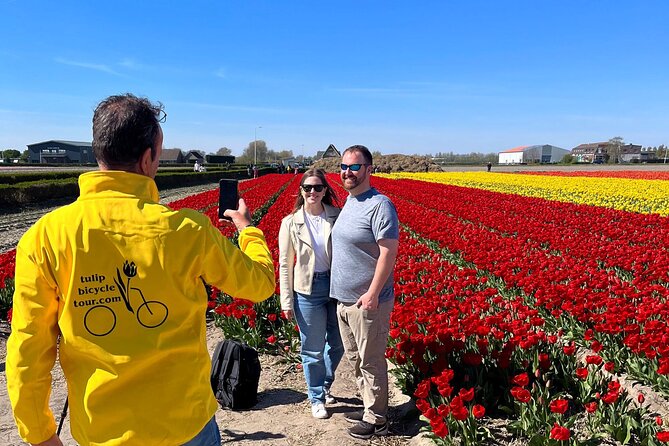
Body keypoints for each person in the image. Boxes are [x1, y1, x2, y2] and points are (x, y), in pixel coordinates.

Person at [6, 93, 275, 446]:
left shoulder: (47, 235)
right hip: (183, 424)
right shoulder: (186, 230)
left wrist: (39, 433)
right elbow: (260, 284)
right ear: (148, 159)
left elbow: (28, 346)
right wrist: (247, 230)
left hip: (102, 430)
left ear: (99, 152)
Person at [330, 145, 399, 440]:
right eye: (344, 167)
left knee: (371, 360)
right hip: (344, 299)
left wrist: (372, 293)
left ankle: (379, 421)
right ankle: (370, 406)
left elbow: (388, 253)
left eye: (354, 167)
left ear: (368, 170)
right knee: (356, 359)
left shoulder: (379, 205)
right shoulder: (350, 201)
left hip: (367, 301)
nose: (347, 172)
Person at [278, 169, 344, 420]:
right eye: (308, 188)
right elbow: (285, 263)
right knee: (313, 349)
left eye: (318, 188)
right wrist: (286, 301)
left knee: (338, 344)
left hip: (336, 286)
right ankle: (316, 397)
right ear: (301, 191)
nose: (312, 192)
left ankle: (325, 383)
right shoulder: (290, 222)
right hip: (307, 289)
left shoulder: (337, 217)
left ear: (326, 190)